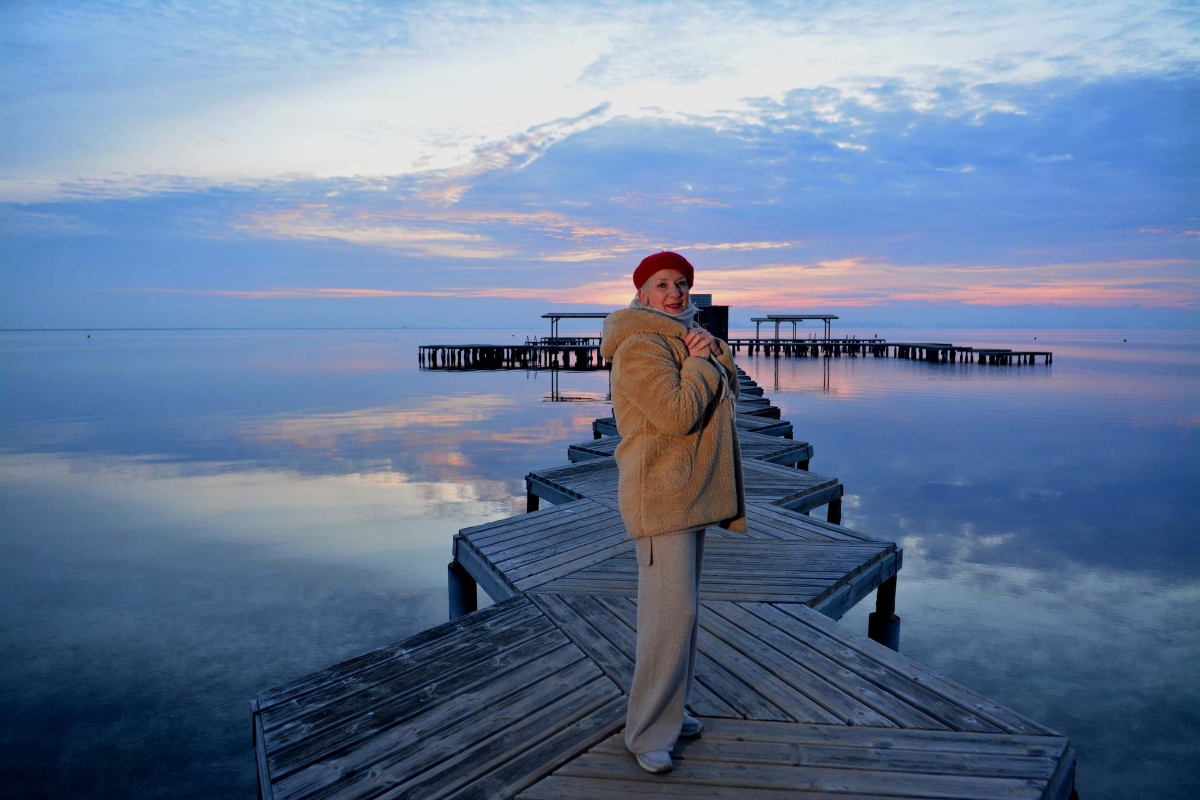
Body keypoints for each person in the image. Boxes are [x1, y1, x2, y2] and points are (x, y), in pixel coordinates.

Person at [599, 250, 746, 774]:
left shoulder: (677, 339)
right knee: (667, 617)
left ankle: (670, 709)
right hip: (660, 496)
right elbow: (678, 413)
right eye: (662, 285)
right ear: (641, 294)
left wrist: (712, 356)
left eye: (682, 284)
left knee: (680, 614)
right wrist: (703, 362)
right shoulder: (640, 345)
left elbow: (718, 397)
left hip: (687, 492)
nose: (675, 294)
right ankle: (646, 732)